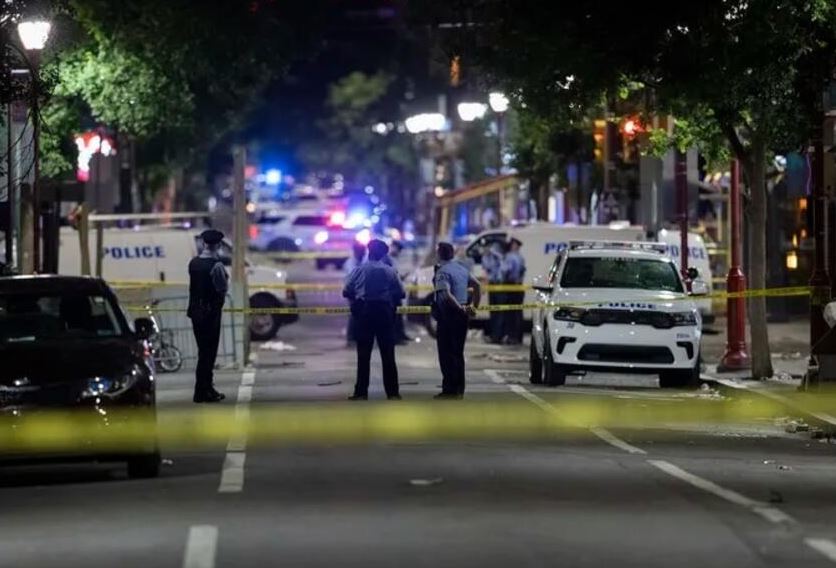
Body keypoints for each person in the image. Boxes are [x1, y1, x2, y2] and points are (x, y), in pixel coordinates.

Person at [343, 239, 405, 400]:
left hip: (365, 313)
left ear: (369, 251)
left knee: (363, 355)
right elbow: (401, 293)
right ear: (383, 254)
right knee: (388, 355)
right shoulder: (390, 271)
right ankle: (393, 393)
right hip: (384, 313)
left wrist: (357, 299)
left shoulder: (359, 270)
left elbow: (346, 291)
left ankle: (361, 392)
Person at [432, 241, 481, 399]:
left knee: (446, 353)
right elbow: (477, 285)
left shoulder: (442, 272)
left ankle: (449, 390)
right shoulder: (461, 268)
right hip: (462, 314)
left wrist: (457, 308)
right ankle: (459, 389)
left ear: (439, 254)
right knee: (458, 353)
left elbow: (446, 295)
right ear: (452, 254)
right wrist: (472, 307)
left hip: (449, 315)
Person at [187, 229, 228, 403]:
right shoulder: (216, 265)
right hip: (211, 313)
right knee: (208, 354)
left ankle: (203, 390)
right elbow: (222, 288)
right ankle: (203, 390)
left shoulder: (193, 263)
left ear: (204, 244)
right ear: (218, 245)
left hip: (195, 312)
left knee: (203, 352)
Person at [500, 237, 526, 345]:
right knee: (518, 313)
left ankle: (511, 337)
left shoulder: (510, 257)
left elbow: (506, 270)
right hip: (519, 286)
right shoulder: (520, 257)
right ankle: (517, 337)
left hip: (510, 286)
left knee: (510, 313)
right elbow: (522, 271)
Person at [385, 240, 411, 344]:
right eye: (398, 249)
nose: (399, 252)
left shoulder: (393, 259)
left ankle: (401, 335)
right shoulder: (387, 259)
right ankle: (395, 338)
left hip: (396, 291)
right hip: (391, 292)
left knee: (398, 315)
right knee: (393, 316)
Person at [344, 242, 367, 347]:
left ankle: (358, 337)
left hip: (360, 292)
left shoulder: (362, 261)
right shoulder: (350, 263)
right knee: (354, 316)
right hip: (352, 292)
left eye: (362, 252)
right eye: (360, 252)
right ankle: (351, 338)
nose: (361, 254)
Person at [481, 241, 504, 343]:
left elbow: (501, 259)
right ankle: (494, 336)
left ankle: (498, 336)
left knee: (499, 313)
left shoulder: (498, 255)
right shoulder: (486, 258)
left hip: (500, 285)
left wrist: (493, 252)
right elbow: (486, 270)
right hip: (491, 285)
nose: (486, 249)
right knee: (493, 311)